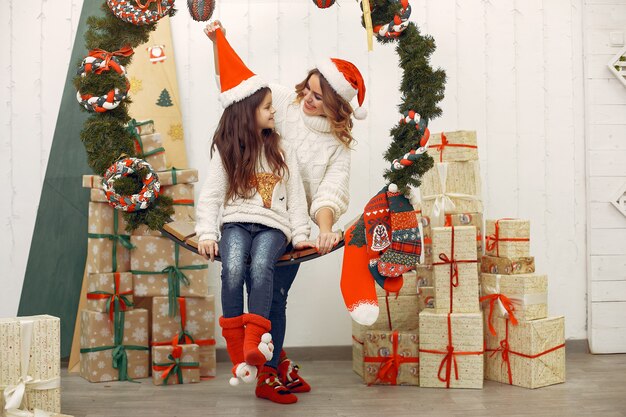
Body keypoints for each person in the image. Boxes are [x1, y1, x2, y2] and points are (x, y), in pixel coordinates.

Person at [205, 21, 367, 405]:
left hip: (286, 224)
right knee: (241, 274)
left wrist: (324, 228)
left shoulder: (337, 147)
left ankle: (269, 370)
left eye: (319, 97)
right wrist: (218, 43)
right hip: (244, 213)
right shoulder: (278, 99)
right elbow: (237, 90)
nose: (308, 100)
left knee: (275, 293)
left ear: (339, 107)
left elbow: (329, 192)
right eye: (308, 89)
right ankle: (265, 361)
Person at [195, 28, 312, 403]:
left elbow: (295, 198)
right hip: (234, 222)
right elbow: (211, 196)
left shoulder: (283, 150)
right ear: (248, 114)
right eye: (266, 107)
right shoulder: (228, 152)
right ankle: (235, 346)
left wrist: (302, 231)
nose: (273, 110)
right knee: (232, 266)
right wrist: (205, 233)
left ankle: (255, 341)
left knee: (262, 265)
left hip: (273, 227)